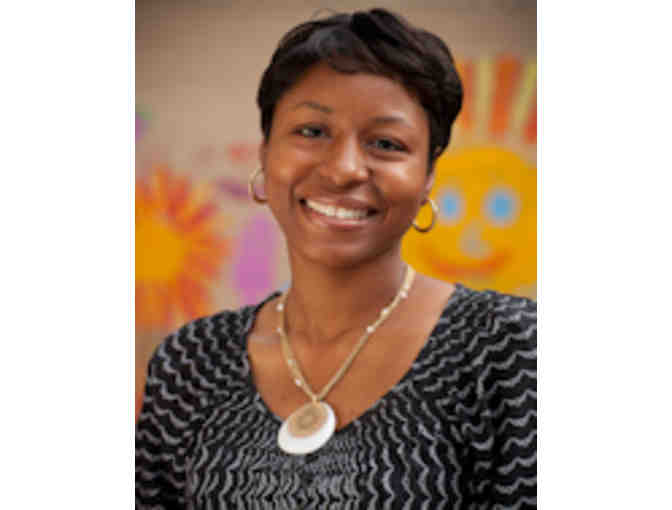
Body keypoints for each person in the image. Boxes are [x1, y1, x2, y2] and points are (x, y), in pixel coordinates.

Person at [136, 8, 536, 509]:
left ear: (428, 177)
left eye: (386, 144)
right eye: (312, 132)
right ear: (265, 154)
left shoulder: (509, 350)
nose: (345, 169)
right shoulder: (190, 364)